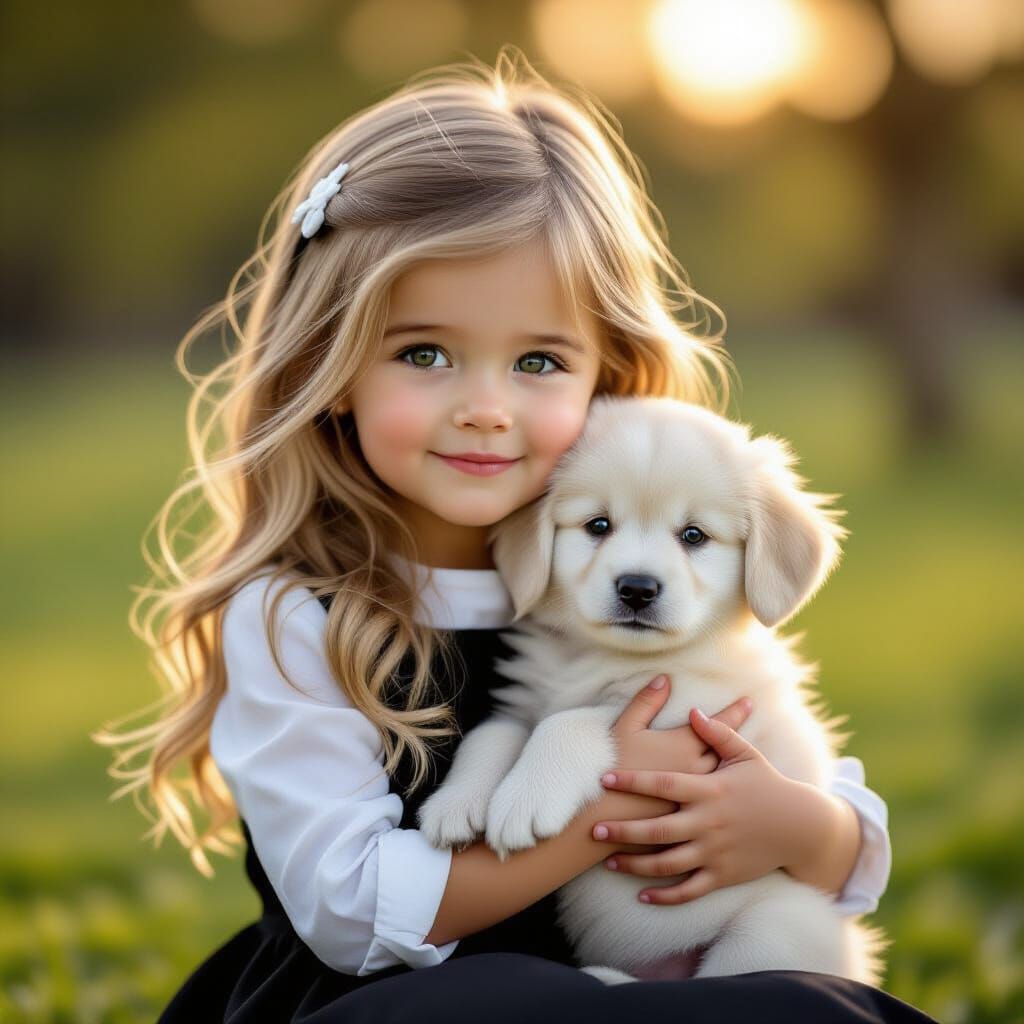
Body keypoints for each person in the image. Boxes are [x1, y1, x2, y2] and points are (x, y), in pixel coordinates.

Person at [96, 49, 935, 1023]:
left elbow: (832, 839)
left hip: (651, 974)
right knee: (507, 999)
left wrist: (793, 823)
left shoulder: (622, 568)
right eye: (424, 353)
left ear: (606, 373)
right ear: (328, 370)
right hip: (397, 998)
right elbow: (347, 911)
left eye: (538, 358)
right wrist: (598, 819)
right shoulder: (295, 616)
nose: (485, 408)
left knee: (799, 1003)